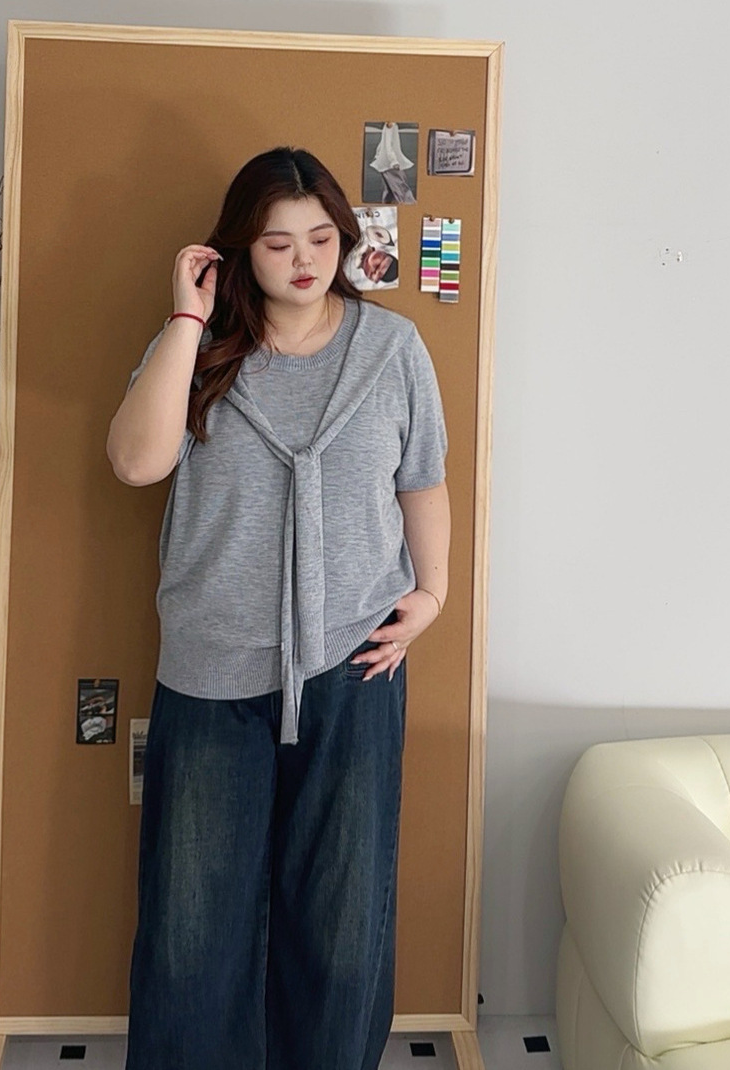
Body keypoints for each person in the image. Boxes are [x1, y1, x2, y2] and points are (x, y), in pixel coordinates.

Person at [106, 146, 450, 1070]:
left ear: (345, 238)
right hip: (211, 669)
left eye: (321, 239)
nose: (304, 260)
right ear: (238, 250)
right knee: (191, 923)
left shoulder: (392, 350)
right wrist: (187, 316)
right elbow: (136, 463)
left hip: (354, 665)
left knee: (342, 917)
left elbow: (422, 480)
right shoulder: (198, 347)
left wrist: (432, 594)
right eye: (277, 243)